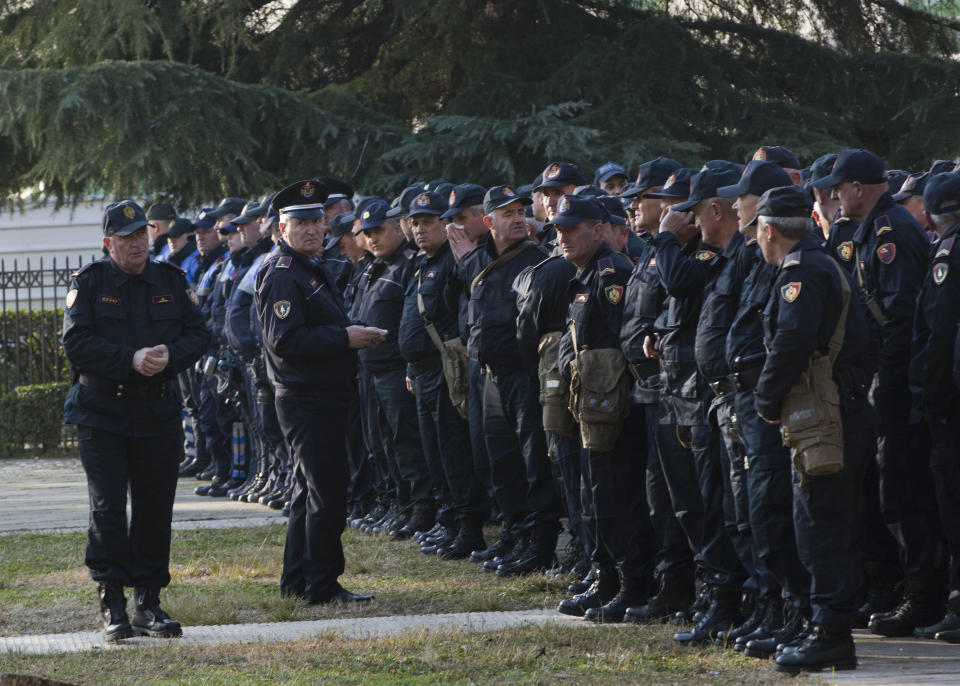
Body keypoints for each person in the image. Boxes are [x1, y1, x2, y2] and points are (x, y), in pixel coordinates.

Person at [62, 200, 209, 641]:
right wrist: (131, 359)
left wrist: (167, 358)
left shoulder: (170, 280)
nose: (137, 245)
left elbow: (199, 334)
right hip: (102, 413)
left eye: (142, 236)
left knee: (153, 508)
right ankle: (113, 605)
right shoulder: (89, 284)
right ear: (108, 244)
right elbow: (76, 343)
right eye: (126, 239)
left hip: (156, 410)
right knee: (108, 508)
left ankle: (148, 601)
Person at [813, 149, 942, 637]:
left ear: (859, 187)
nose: (831, 196)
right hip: (880, 380)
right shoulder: (871, 228)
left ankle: (922, 597)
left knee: (904, 493)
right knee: (884, 492)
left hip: (896, 385)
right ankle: (900, 587)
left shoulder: (890, 231)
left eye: (838, 187)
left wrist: (887, 383)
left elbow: (902, 317)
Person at [751, 185, 873, 674]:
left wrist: (764, 398)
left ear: (768, 229)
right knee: (824, 520)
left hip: (827, 415)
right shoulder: (820, 264)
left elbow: (792, 339)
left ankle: (831, 636)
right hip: (838, 408)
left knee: (820, 524)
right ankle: (825, 627)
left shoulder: (802, 271)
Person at [255, 178, 385, 604]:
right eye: (301, 222)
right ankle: (323, 585)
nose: (313, 229)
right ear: (280, 229)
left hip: (322, 395)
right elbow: (285, 340)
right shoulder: (283, 274)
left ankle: (297, 581)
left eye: (317, 220)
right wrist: (345, 337)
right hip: (306, 399)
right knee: (327, 494)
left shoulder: (311, 268)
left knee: (308, 493)